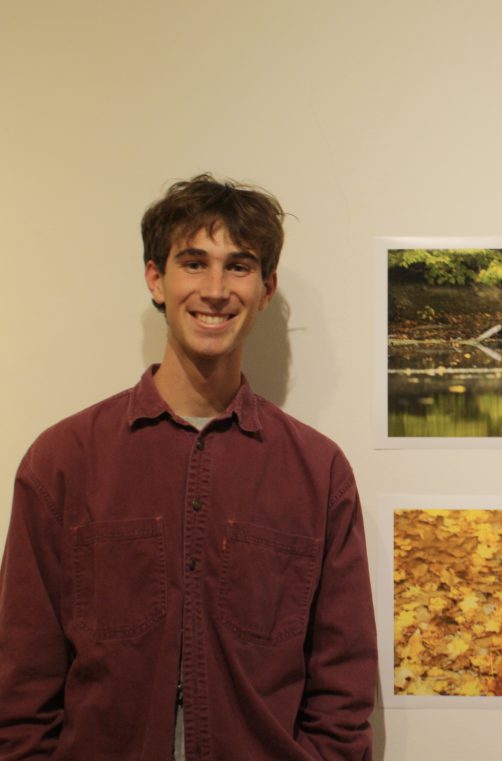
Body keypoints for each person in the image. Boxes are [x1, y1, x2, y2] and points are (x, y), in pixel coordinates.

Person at [0, 174, 378, 760]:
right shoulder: (63, 461)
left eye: (239, 266)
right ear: (157, 278)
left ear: (266, 287)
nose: (216, 289)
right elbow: (22, 679)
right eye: (194, 263)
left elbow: (343, 684)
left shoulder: (318, 472)